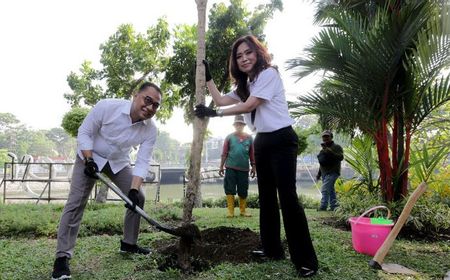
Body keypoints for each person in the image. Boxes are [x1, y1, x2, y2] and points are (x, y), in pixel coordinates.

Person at [194, 35, 318, 277]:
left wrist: (215, 114)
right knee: (267, 198)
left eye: (248, 53)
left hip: (282, 139)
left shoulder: (269, 75)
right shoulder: (246, 85)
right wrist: (208, 77)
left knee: (288, 199)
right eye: (239, 56)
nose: (244, 58)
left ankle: (306, 260)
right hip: (261, 140)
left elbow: (250, 106)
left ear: (258, 53)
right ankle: (272, 249)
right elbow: (219, 99)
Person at [51, 82, 162, 280]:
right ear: (137, 96)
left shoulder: (150, 130)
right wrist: (89, 159)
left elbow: (143, 162)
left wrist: (134, 190)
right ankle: (62, 258)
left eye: (155, 105)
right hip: (90, 156)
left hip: (118, 162)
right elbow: (84, 132)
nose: (150, 107)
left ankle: (129, 244)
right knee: (76, 203)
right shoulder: (107, 106)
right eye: (148, 100)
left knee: (138, 199)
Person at [219, 115, 256, 218]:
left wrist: (254, 167)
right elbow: (224, 153)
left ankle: (242, 211)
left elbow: (252, 154)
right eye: (237, 124)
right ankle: (230, 212)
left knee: (243, 189)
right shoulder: (229, 137)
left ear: (244, 125)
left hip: (244, 169)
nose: (239, 126)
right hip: (230, 167)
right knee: (229, 189)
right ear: (234, 125)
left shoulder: (249, 138)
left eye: (241, 124)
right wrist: (221, 166)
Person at [316, 130, 343, 211]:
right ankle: (334, 207)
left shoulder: (337, 147)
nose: (325, 138)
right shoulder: (322, 150)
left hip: (333, 172)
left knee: (324, 189)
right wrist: (319, 174)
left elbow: (341, 157)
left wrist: (330, 152)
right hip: (324, 173)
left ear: (331, 137)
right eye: (324, 137)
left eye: (327, 136)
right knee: (331, 190)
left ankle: (323, 206)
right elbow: (322, 164)